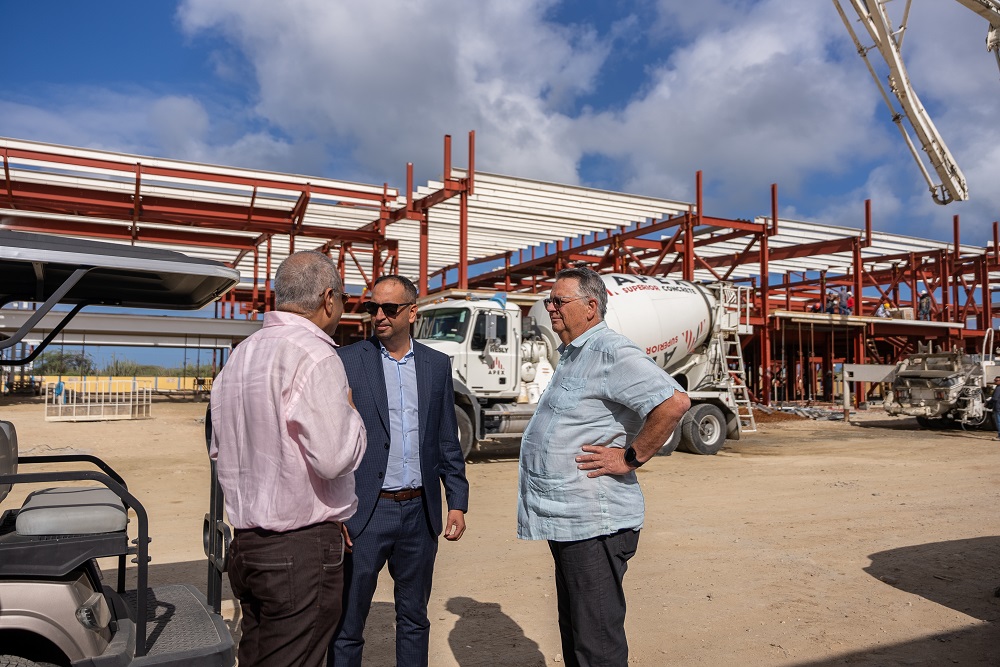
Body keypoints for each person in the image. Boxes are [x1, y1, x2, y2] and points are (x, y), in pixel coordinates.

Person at [517, 267, 691, 666]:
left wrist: (630, 457)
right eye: (550, 300)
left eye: (559, 301)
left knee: (596, 642)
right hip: (571, 520)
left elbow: (674, 403)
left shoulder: (611, 351)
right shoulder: (576, 354)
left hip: (596, 523)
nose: (551, 308)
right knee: (578, 632)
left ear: (591, 307)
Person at [210, 251, 366, 667]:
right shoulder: (316, 355)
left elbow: (219, 448)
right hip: (298, 552)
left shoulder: (240, 356)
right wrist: (352, 415)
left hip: (246, 546)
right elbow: (334, 459)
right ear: (328, 298)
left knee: (258, 655)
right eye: (345, 299)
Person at [330, 275, 469, 667]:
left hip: (419, 515)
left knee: (414, 618)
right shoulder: (346, 360)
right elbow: (332, 441)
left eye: (389, 309)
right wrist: (336, 509)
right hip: (365, 516)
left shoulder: (436, 365)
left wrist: (456, 501)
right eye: (373, 307)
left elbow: (446, 439)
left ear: (412, 312)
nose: (379, 315)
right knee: (347, 625)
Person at [987, 376, 1000, 441]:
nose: (995, 381)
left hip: (998, 407)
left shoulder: (998, 388)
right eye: (995, 380)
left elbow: (995, 398)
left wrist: (988, 402)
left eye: (996, 380)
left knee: (998, 422)